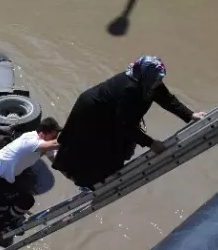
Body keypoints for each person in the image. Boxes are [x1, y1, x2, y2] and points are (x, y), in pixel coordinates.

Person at [52, 55, 207, 189]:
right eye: (157, 79)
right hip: (92, 113)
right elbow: (124, 125)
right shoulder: (131, 90)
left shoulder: (150, 81)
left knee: (121, 146)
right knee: (92, 149)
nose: (160, 82)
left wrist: (190, 115)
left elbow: (167, 100)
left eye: (161, 79)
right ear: (146, 77)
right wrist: (151, 143)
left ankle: (95, 177)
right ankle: (85, 181)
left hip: (113, 113)